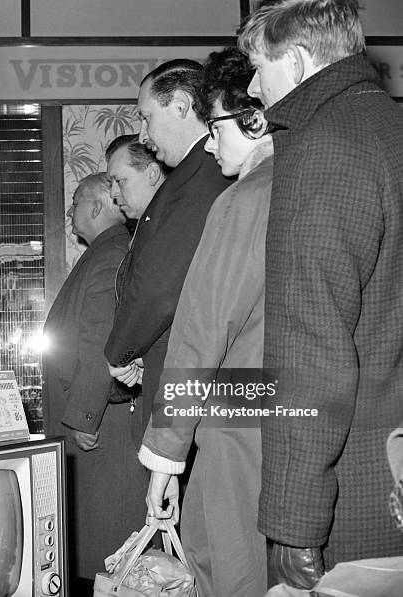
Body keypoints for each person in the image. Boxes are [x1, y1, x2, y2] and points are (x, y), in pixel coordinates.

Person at [237, 0, 403, 589]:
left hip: (360, 492)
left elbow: (312, 350)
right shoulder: (389, 126)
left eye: (258, 66)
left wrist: (293, 522)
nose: (255, 86)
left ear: (301, 60)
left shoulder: (320, 144)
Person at [139, 47, 273, 597]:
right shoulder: (311, 183)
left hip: (240, 416)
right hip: (300, 410)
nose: (210, 140)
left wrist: (165, 456)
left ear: (255, 118)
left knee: (229, 566)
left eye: (215, 125)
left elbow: (199, 336)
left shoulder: (243, 200)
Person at [104, 60, 231, 431]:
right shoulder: (195, 172)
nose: (143, 134)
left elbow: (161, 287)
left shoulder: (204, 173)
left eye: (146, 117)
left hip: (197, 394)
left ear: (179, 105)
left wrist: (121, 351)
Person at [42, 173, 149, 585]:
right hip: (97, 422)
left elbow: (99, 341)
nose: (69, 212)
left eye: (74, 203)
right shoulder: (106, 252)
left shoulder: (111, 254)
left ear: (98, 206)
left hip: (101, 428)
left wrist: (84, 416)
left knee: (107, 556)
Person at [106, 133, 167, 221]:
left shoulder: (182, 223)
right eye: (111, 184)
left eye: (120, 181)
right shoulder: (152, 224)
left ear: (152, 173)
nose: (113, 194)